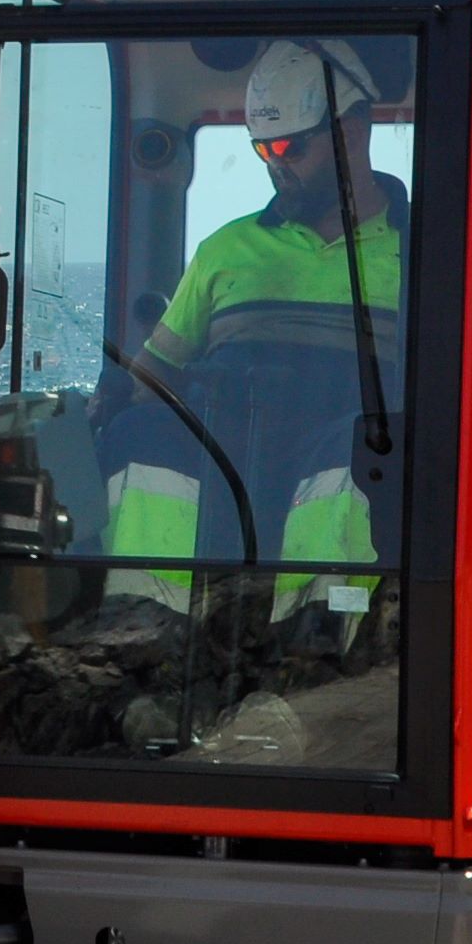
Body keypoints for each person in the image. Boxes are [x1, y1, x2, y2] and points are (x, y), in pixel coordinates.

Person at [98, 39, 402, 614]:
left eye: (290, 145)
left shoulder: (424, 254)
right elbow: (153, 376)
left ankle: (315, 634)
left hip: (344, 454)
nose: (274, 164)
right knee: (142, 434)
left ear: (352, 132)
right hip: (232, 460)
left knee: (364, 453)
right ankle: (141, 624)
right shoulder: (225, 251)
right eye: (262, 148)